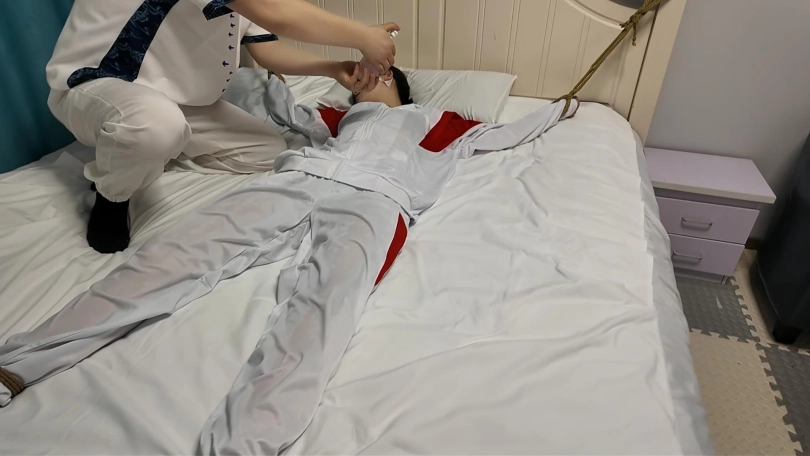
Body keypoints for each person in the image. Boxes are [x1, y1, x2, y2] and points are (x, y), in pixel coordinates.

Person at [0, 67, 578, 454]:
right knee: (172, 257)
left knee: (323, 311)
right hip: (299, 179)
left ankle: (243, 445)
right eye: (358, 74)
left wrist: (564, 107)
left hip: (377, 203)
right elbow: (271, 102)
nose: (364, 76)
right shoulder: (338, 117)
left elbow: (505, 135)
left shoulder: (442, 123)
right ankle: (19, 364)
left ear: (397, 84)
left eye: (374, 72)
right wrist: (253, 66)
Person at [45, 0, 399, 254]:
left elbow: (267, 48)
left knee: (269, 151)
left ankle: (148, 148)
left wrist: (334, 68)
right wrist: (362, 36)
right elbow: (278, 13)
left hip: (170, 99)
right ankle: (111, 194)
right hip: (97, 83)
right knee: (154, 125)